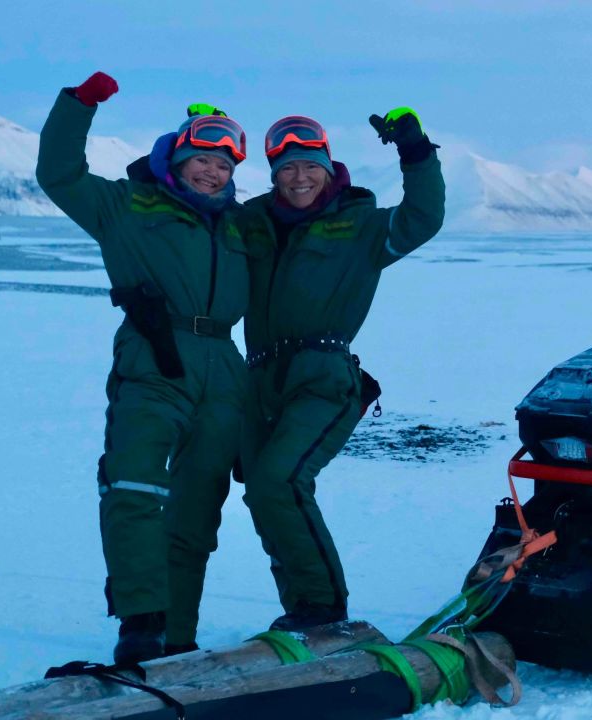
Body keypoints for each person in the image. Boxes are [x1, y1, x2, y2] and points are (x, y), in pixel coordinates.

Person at [36, 71, 251, 664]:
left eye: (225, 165)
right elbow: (58, 174)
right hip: (155, 357)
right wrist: (78, 106)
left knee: (197, 509)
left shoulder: (239, 224)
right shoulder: (126, 204)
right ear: (176, 159)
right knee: (132, 483)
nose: (213, 172)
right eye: (202, 159)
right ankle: (141, 623)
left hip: (223, 370)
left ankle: (177, 638)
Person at [237, 109, 445, 630]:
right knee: (263, 494)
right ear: (272, 174)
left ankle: (323, 611)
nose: (299, 178)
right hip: (258, 380)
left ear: (329, 168)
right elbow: (194, 228)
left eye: (310, 166)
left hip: (322, 376)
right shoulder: (252, 221)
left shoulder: (362, 226)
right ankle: (300, 611)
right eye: (286, 168)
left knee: (280, 481)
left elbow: (423, 217)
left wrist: (416, 152)